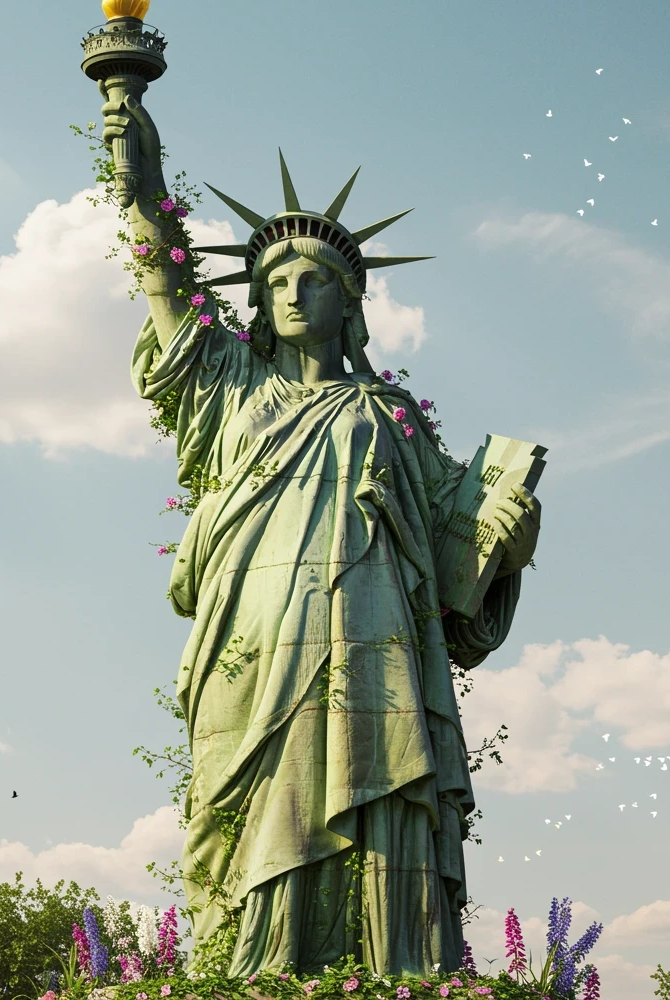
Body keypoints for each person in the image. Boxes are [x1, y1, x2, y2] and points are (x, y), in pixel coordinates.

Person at [103, 93, 541, 977]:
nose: (293, 294)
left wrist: (510, 537)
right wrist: (137, 168)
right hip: (253, 637)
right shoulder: (227, 389)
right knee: (252, 800)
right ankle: (252, 968)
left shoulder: (391, 416)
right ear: (257, 304)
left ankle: (392, 969)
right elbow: (166, 275)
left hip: (375, 634)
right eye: (274, 283)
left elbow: (463, 559)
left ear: (353, 304)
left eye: (315, 281)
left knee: (385, 789)